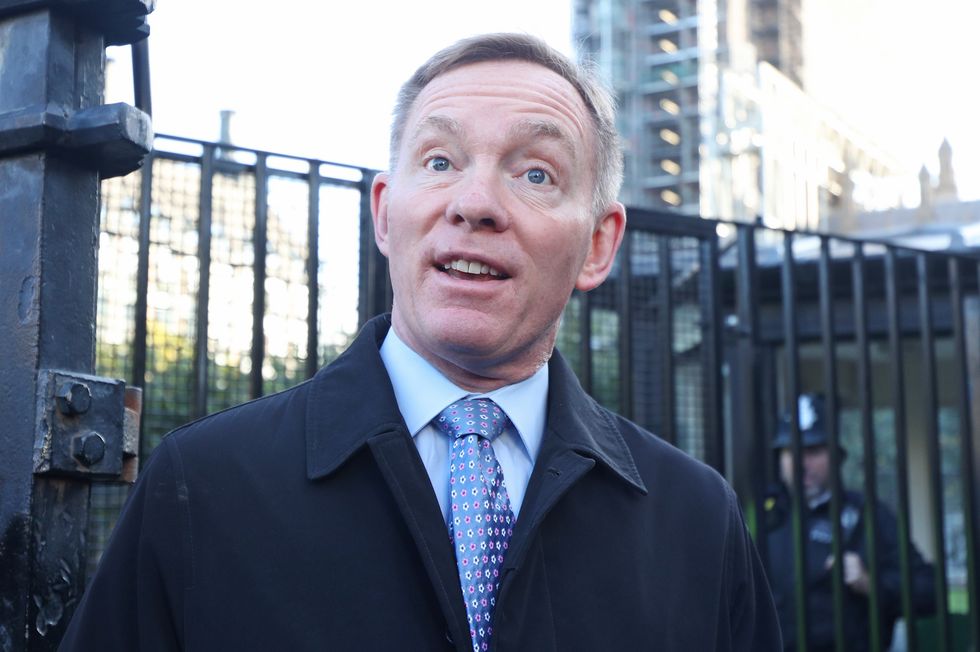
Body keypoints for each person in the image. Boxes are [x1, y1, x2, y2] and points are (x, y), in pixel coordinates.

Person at [61, 33, 781, 651]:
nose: (475, 203)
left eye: (536, 173)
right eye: (440, 162)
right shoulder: (204, 485)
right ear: (384, 214)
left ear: (598, 244)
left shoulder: (696, 521)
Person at [765, 394, 935, 652]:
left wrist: (871, 583)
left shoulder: (868, 515)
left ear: (836, 456)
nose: (801, 463)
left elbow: (929, 592)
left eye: (813, 451)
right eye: (791, 452)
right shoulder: (765, 516)